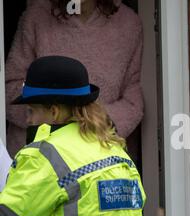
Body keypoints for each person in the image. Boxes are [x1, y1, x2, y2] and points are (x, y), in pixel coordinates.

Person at [0, 56, 147, 216]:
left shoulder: (47, 155)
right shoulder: (116, 151)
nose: (28, 120)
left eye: (31, 111)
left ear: (53, 111)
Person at [5, 0, 144, 164]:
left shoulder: (128, 24)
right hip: (37, 160)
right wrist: (57, 120)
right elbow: (8, 90)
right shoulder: (37, 16)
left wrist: (90, 125)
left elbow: (133, 101)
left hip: (100, 156)